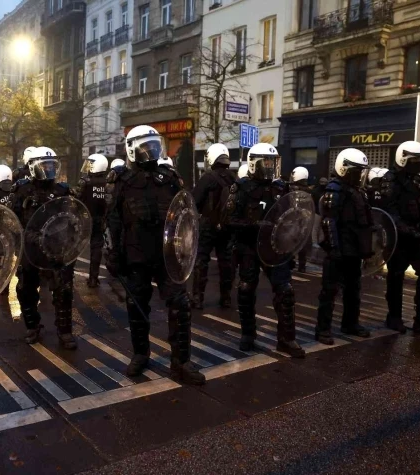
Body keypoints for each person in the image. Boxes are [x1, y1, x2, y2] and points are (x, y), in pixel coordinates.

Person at [106, 125, 205, 384]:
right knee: (137, 308)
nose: (151, 152)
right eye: (144, 148)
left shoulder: (169, 176)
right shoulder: (121, 181)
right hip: (136, 254)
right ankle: (140, 354)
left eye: (153, 146)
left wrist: (187, 243)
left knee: (180, 306)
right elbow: (112, 220)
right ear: (131, 150)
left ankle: (181, 362)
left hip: (167, 255)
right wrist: (112, 253)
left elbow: (184, 211)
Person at [225, 143, 305, 358]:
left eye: (272, 162)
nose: (269, 167)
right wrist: (255, 226)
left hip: (275, 248)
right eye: (265, 163)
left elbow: (290, 214)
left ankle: (287, 339)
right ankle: (248, 335)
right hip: (249, 247)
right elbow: (230, 220)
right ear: (254, 164)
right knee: (246, 290)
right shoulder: (240, 188)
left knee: (285, 290)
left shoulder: (280, 188)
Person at [9, 147, 77, 350]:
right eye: (43, 165)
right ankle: (32, 326)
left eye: (50, 165)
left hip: (56, 249)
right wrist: (28, 238)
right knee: (25, 289)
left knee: (63, 291)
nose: (47, 169)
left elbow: (73, 219)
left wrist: (69, 241)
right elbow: (13, 222)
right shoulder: (21, 191)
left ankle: (65, 331)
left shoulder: (62, 190)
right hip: (31, 249)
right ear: (32, 167)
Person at [379, 141, 420, 336]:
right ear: (403, 159)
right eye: (415, 160)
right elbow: (390, 213)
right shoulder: (390, 180)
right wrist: (410, 231)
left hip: (417, 239)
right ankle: (394, 317)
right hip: (399, 240)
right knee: (396, 278)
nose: (418, 165)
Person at [316, 148, 374, 344]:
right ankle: (322, 329)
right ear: (344, 169)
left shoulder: (358, 192)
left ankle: (350, 323)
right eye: (357, 171)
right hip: (338, 249)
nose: (360, 176)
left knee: (353, 290)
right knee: (329, 291)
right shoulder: (335, 189)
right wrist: (334, 249)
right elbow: (328, 221)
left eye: (361, 171)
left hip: (353, 250)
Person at [191, 143, 236, 309]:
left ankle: (197, 298)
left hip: (208, 225)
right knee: (225, 262)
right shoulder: (233, 178)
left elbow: (194, 201)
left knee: (201, 261)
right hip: (226, 226)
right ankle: (226, 297)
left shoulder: (208, 177)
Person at [77, 153, 109, 288]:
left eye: (90, 164)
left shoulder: (85, 182)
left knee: (75, 246)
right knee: (96, 248)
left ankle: (65, 277)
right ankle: (93, 278)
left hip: (85, 219)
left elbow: (77, 201)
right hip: (101, 219)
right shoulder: (108, 183)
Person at [289, 166, 312, 272]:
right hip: (305, 221)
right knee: (303, 244)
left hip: (294, 220)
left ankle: (291, 263)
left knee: (292, 243)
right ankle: (302, 265)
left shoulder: (291, 189)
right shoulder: (309, 191)